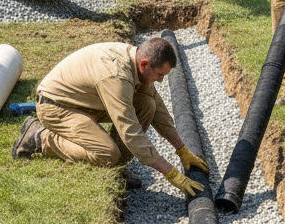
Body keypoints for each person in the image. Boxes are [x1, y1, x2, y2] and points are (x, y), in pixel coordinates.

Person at [11, 37, 207, 197]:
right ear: (145, 64)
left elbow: (159, 110)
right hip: (56, 106)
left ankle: (118, 169)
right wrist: (171, 173)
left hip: (84, 102)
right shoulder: (116, 76)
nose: (161, 80)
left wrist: (181, 149)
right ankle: (41, 137)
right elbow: (129, 130)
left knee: (147, 105)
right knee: (107, 153)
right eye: (159, 74)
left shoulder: (136, 60)